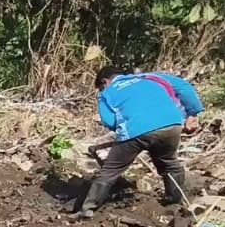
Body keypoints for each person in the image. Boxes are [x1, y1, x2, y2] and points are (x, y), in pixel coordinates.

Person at [76, 66, 204, 218]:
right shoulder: (150, 77)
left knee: (109, 171)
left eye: (101, 87)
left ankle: (87, 209)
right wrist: (192, 113)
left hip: (136, 130)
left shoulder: (107, 92)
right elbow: (184, 87)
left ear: (104, 82)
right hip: (172, 124)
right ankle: (174, 203)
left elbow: (109, 121)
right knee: (169, 163)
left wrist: (127, 127)